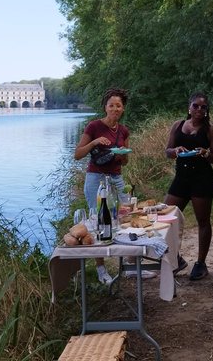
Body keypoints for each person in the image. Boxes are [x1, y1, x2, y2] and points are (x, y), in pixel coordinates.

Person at [73, 87, 141, 283]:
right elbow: (77, 154)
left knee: (124, 218)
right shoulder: (94, 126)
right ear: (105, 107)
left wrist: (122, 155)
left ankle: (129, 265)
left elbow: (124, 161)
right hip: (96, 178)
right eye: (111, 105)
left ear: (123, 109)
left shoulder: (123, 130)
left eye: (118, 106)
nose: (115, 109)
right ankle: (102, 269)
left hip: (116, 178)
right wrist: (94, 142)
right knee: (97, 222)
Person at [164, 92, 213, 281]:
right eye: (196, 106)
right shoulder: (178, 125)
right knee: (165, 217)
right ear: (189, 107)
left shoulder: (210, 130)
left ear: (207, 110)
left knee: (202, 221)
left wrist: (205, 153)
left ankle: (201, 263)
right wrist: (176, 151)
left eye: (203, 107)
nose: (199, 109)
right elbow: (168, 152)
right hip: (181, 178)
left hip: (202, 179)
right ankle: (176, 259)